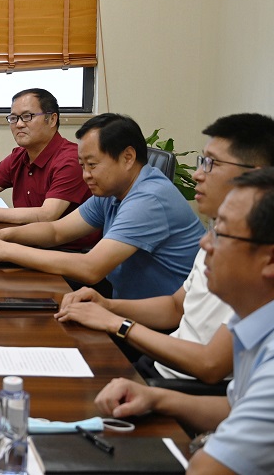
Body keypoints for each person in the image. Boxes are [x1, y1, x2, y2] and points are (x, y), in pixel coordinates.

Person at [55, 114, 274, 384]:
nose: (197, 174)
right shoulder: (218, 231)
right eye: (201, 161)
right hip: (162, 363)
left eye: (211, 164)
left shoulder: (256, 257)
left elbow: (211, 364)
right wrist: (107, 305)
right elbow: (175, 306)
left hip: (184, 383)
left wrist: (116, 322)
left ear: (254, 175)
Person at [95, 168, 274, 474]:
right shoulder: (250, 320)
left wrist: (118, 323)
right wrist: (157, 398)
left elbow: (205, 469)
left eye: (221, 233)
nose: (204, 243)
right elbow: (234, 407)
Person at [0, 113, 203, 300]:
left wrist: (4, 250)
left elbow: (91, 268)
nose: (86, 175)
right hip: (126, 306)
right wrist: (1, 235)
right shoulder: (112, 190)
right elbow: (56, 231)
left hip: (167, 326)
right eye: (82, 165)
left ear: (128, 158)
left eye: (92, 165)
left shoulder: (149, 199)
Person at [0, 88, 98, 249]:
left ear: (52, 119)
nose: (18, 124)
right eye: (13, 118)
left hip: (68, 251)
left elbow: (47, 215)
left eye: (27, 116)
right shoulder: (19, 156)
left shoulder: (70, 159)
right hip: (27, 243)